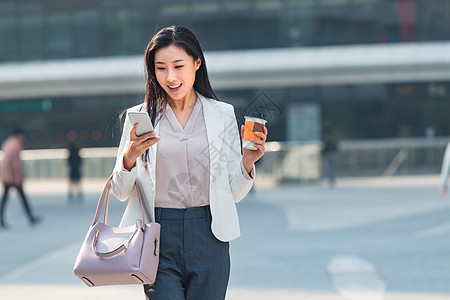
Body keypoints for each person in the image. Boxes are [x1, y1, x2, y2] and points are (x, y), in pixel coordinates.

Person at [111, 26, 267, 300]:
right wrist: (129, 158)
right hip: (158, 235)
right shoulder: (139, 117)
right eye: (160, 68)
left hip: (209, 233)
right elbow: (120, 192)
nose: (170, 77)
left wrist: (247, 163)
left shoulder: (222, 115)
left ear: (197, 63)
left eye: (178, 66)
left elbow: (235, 193)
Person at [0, 128, 40, 229]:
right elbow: (16, 164)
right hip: (13, 177)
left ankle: (2, 219)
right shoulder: (16, 145)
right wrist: (19, 178)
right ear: (19, 135)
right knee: (22, 198)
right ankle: (31, 218)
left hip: (7, 176)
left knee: (5, 199)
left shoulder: (7, 143)